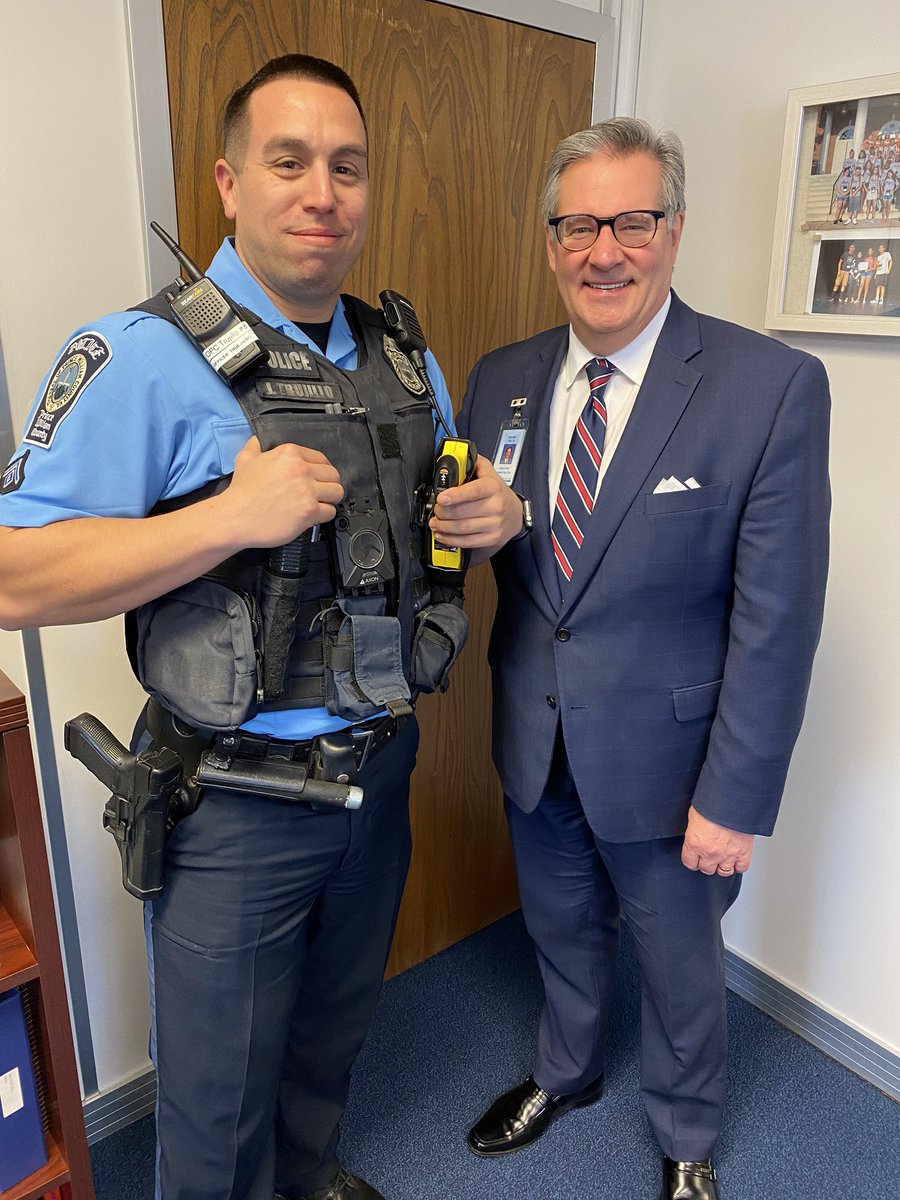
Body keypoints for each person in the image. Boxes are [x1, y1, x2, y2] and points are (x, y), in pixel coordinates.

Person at [0, 55, 465, 1200]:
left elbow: (423, 532)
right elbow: (13, 577)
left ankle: (308, 1176)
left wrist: (480, 518)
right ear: (227, 180)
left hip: (380, 772)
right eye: (288, 162)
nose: (323, 194)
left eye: (348, 167)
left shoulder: (406, 360)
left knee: (333, 1031)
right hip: (236, 805)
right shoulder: (139, 355)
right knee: (216, 1103)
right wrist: (226, 518)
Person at [429, 118, 830, 1199]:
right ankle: (566, 1071)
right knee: (558, 926)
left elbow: (778, 620)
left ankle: (687, 1133)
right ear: (551, 241)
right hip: (536, 732)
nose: (605, 251)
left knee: (679, 966)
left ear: (675, 230)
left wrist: (735, 799)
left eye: (633, 222)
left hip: (673, 763)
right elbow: (491, 554)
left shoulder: (767, 386)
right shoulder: (501, 378)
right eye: (579, 226)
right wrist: (475, 534)